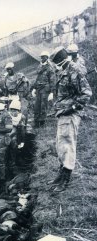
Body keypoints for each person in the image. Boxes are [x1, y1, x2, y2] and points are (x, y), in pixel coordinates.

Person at [49, 46, 92, 192]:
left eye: (55, 62)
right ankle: (61, 174)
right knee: (60, 144)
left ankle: (65, 178)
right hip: (62, 113)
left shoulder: (74, 70)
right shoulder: (63, 70)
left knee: (67, 144)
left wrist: (72, 108)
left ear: (60, 60)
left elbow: (86, 94)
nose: (54, 65)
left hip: (70, 114)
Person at [31, 51, 56, 128]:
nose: (42, 58)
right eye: (41, 57)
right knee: (36, 106)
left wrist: (52, 92)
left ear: (47, 57)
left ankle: (42, 123)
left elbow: (52, 80)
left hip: (45, 90)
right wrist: (34, 88)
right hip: (38, 89)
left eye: (44, 57)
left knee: (43, 106)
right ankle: (36, 122)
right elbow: (38, 78)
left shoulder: (50, 67)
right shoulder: (40, 66)